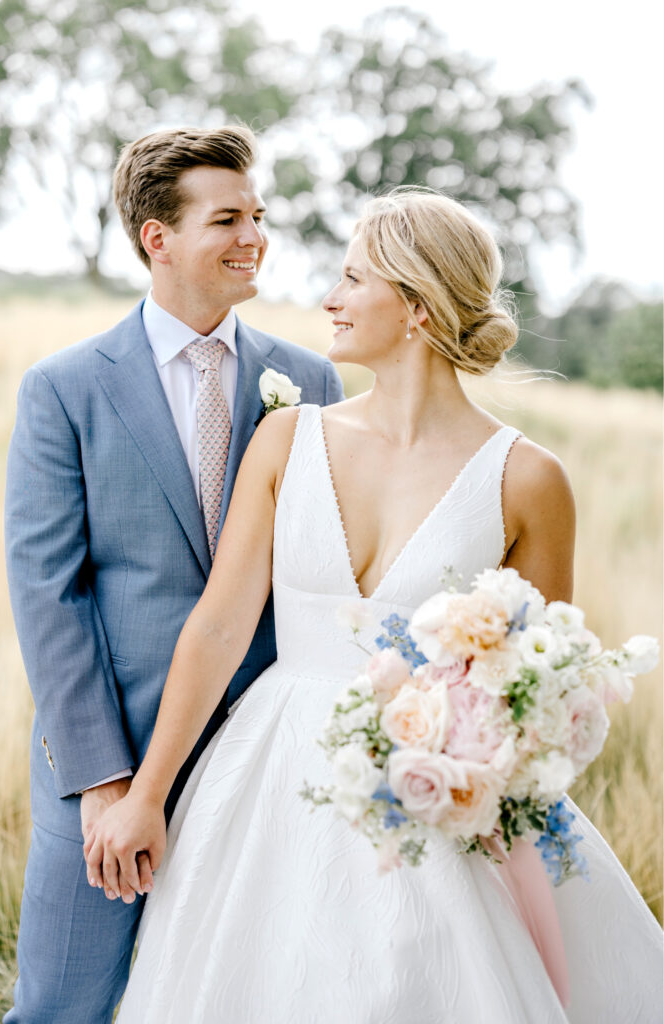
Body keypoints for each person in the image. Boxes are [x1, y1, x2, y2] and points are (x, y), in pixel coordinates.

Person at [85, 188, 662, 1022]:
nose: (330, 298)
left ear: (418, 307)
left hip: (439, 797)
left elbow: (538, 684)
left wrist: (476, 774)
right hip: (269, 776)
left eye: (353, 279)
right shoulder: (287, 440)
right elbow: (217, 627)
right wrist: (147, 792)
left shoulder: (528, 479)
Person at [3, 124, 344, 1023]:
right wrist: (106, 782)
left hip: (268, 753)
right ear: (158, 237)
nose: (254, 237)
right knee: (64, 1002)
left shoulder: (310, 380)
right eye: (227, 218)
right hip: (109, 757)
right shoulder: (64, 388)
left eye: (258, 216)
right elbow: (50, 596)